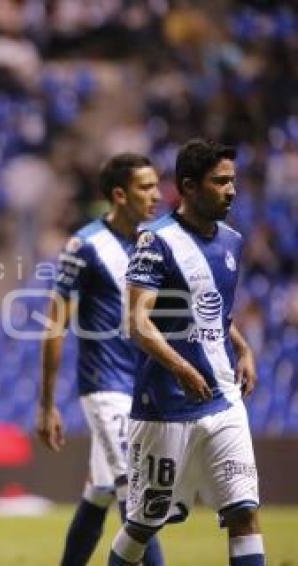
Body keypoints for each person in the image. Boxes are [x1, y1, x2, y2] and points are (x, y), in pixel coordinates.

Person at [109, 139, 264, 565]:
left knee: (245, 511)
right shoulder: (154, 242)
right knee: (143, 524)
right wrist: (179, 367)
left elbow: (215, 315)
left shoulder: (232, 242)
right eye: (220, 182)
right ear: (189, 187)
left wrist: (244, 350)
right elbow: (137, 322)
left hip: (222, 401)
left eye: (233, 181)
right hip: (164, 407)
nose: (231, 190)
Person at [36, 153, 165, 565]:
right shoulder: (84, 246)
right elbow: (54, 326)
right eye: (146, 187)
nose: (157, 195)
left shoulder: (155, 244)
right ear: (119, 195)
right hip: (105, 387)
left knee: (101, 488)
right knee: (139, 495)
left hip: (142, 389)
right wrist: (47, 403)